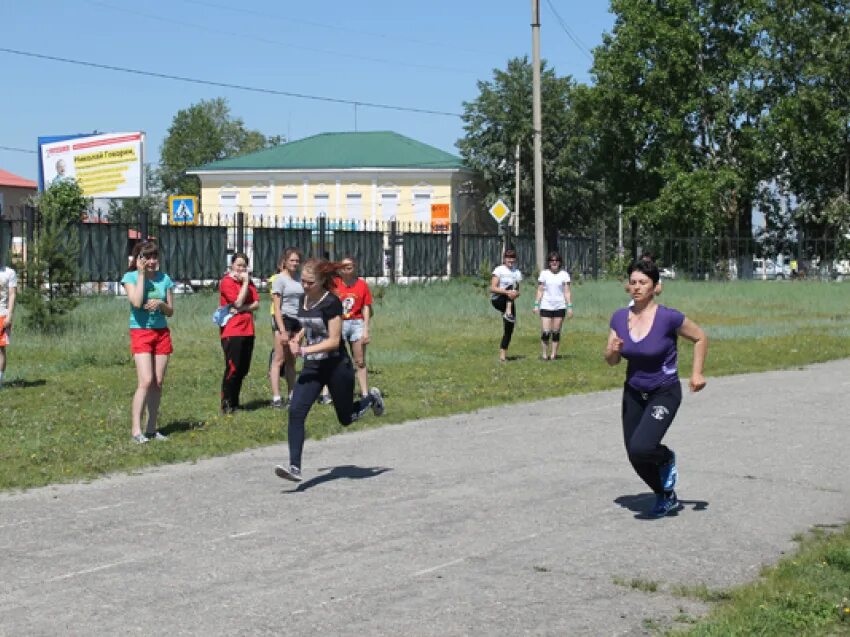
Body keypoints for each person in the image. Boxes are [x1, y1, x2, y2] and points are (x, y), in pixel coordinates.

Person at [604, 259, 708, 518]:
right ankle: (665, 495)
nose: (637, 287)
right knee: (635, 454)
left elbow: (700, 337)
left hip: (664, 391)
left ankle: (664, 458)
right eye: (633, 282)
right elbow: (613, 361)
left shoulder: (668, 318)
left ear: (655, 287)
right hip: (633, 392)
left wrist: (696, 373)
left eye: (643, 282)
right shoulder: (619, 318)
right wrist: (611, 352)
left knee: (643, 447)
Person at [275, 258, 385, 483]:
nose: (305, 286)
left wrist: (304, 351)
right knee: (296, 412)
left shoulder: (331, 302)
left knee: (346, 418)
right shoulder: (304, 300)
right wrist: (296, 338)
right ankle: (294, 467)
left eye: (310, 282)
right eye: (303, 282)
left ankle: (371, 398)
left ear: (322, 281)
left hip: (337, 368)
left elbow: (334, 341)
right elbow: (307, 325)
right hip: (313, 368)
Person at [121, 242, 174, 443]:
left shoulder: (165, 279)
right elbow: (136, 302)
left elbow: (171, 311)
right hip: (141, 331)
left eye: (154, 257)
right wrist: (142, 274)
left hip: (161, 332)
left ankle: (151, 428)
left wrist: (161, 304)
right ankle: (136, 430)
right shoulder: (131, 278)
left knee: (158, 382)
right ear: (138, 259)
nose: (152, 261)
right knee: (145, 380)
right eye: (147, 257)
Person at [218, 252, 259, 414]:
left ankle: (235, 402)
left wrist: (242, 309)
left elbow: (256, 303)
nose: (241, 268)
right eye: (238, 265)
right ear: (232, 265)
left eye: (244, 265)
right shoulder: (226, 282)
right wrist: (245, 283)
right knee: (233, 367)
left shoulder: (249, 283)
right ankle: (226, 403)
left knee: (243, 368)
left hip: (248, 329)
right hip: (232, 330)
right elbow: (237, 301)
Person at [333, 255, 374, 400]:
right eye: (343, 266)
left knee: (360, 360)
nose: (347, 268)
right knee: (333, 358)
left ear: (355, 267)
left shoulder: (362, 285)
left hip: (356, 323)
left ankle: (364, 393)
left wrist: (365, 330)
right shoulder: (334, 283)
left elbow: (366, 308)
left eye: (350, 265)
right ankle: (329, 393)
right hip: (339, 322)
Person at [270, 248, 303, 408]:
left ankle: (292, 394)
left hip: (298, 321)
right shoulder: (279, 279)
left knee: (292, 360)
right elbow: (276, 307)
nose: (295, 263)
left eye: (297, 260)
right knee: (279, 359)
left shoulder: (299, 278)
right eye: (292, 260)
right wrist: (282, 330)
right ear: (285, 261)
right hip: (285, 320)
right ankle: (276, 397)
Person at [533, 251, 573, 361]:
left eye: (556, 261)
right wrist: (536, 304)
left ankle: (554, 354)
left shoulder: (564, 275)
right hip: (546, 305)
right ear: (549, 262)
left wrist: (569, 307)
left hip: (559, 306)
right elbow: (540, 290)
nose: (554, 263)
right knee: (546, 332)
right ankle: (544, 354)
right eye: (552, 261)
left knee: (556, 332)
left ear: (560, 262)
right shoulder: (544, 274)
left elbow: (567, 292)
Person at [489, 248, 522, 362]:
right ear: (504, 259)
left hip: (510, 300)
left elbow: (518, 290)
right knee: (510, 287)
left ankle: (503, 356)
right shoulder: (499, 270)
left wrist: (515, 293)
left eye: (512, 258)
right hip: (497, 299)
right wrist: (508, 291)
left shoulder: (517, 272)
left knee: (509, 329)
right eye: (508, 258)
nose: (510, 260)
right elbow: (492, 288)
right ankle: (507, 312)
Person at [0, 264, 17, 388]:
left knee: (0, 349)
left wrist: (9, 316)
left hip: (2, 315)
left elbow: (12, 295)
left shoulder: (9, 273)